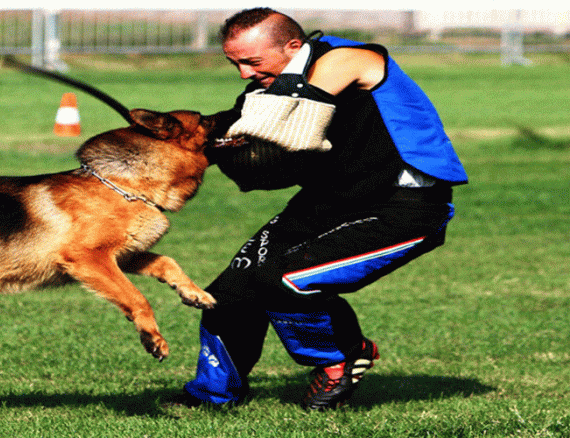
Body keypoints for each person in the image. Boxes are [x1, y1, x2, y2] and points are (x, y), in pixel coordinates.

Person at [174, 8, 468, 410]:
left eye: (252, 61)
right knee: (229, 292)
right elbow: (264, 163)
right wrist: (176, 139)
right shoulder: (267, 86)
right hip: (327, 202)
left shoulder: (350, 58)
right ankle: (211, 396)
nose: (243, 73)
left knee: (287, 279)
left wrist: (225, 141)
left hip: (404, 209)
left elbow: (289, 131)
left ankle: (340, 358)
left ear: (294, 47)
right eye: (234, 63)